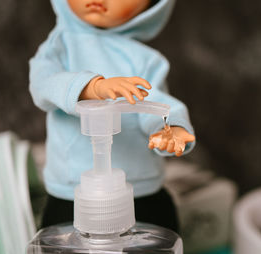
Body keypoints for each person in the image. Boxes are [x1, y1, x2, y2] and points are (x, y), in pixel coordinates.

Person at [29, 0, 195, 232]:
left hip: (140, 187)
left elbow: (156, 104)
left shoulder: (145, 59)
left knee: (156, 245)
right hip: (72, 191)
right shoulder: (59, 46)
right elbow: (43, 84)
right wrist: (91, 88)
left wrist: (169, 128)